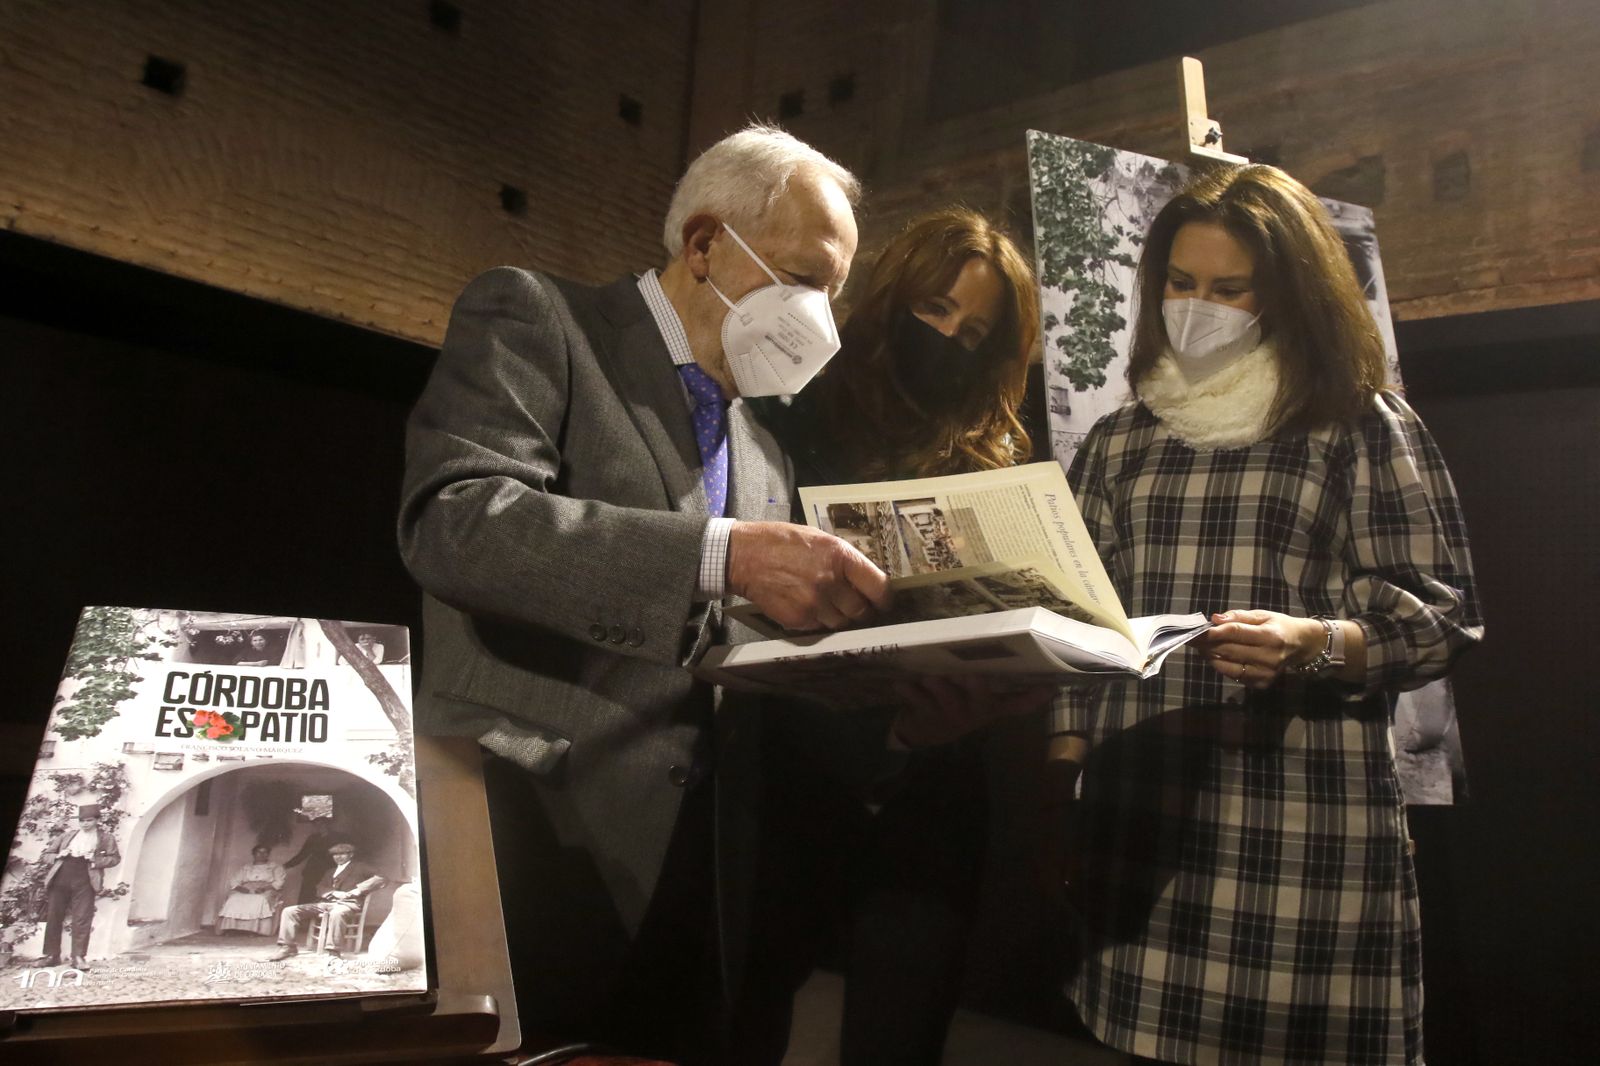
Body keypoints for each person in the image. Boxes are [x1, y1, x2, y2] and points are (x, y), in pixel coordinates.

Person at [398, 123, 894, 1063]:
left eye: (835, 294)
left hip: (701, 878)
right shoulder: (539, 319)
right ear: (704, 244)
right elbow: (458, 524)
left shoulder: (765, 447)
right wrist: (724, 555)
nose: (821, 320)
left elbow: (731, 637)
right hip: (534, 837)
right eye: (804, 279)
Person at [1048, 164, 1483, 1066]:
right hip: (1144, 809)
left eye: (1229, 288)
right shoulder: (1122, 439)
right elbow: (1079, 614)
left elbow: (1441, 617)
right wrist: (1065, 771)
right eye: (1180, 282)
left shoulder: (1357, 425)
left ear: (1286, 293)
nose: (1197, 306)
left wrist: (1313, 644)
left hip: (1298, 819)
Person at [742, 207, 1054, 1066]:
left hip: (931, 796)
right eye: (935, 309)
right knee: (745, 1016)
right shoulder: (793, 418)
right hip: (791, 784)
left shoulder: (991, 458)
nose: (948, 339)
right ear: (892, 299)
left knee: (900, 1034)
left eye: (974, 331)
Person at [35, 804, 120, 970]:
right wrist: (58, 855)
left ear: (97, 820)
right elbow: (46, 855)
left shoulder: (105, 838)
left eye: (89, 820)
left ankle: (78, 957)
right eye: (82, 821)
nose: (85, 824)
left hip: (85, 880)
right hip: (61, 878)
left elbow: (115, 858)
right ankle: (51, 956)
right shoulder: (67, 836)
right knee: (54, 916)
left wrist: (95, 860)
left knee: (82, 918)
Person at [268, 842, 384, 959]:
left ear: (351, 855)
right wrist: (332, 893)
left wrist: (358, 890)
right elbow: (319, 887)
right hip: (326, 903)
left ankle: (334, 952)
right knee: (289, 911)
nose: (338, 857)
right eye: (335, 854)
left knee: (337, 913)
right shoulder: (330, 871)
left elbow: (382, 877)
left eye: (342, 854)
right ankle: (288, 947)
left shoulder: (360, 867)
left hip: (348, 903)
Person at [217, 845, 286, 935]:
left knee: (260, 899)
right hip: (246, 888)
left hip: (267, 888)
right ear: (253, 854)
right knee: (234, 898)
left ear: (268, 854)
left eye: (265, 852)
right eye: (258, 852)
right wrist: (241, 888)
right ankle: (231, 928)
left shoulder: (275, 867)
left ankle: (254, 929)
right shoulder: (246, 867)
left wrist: (264, 888)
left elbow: (279, 882)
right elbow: (235, 880)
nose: (261, 855)